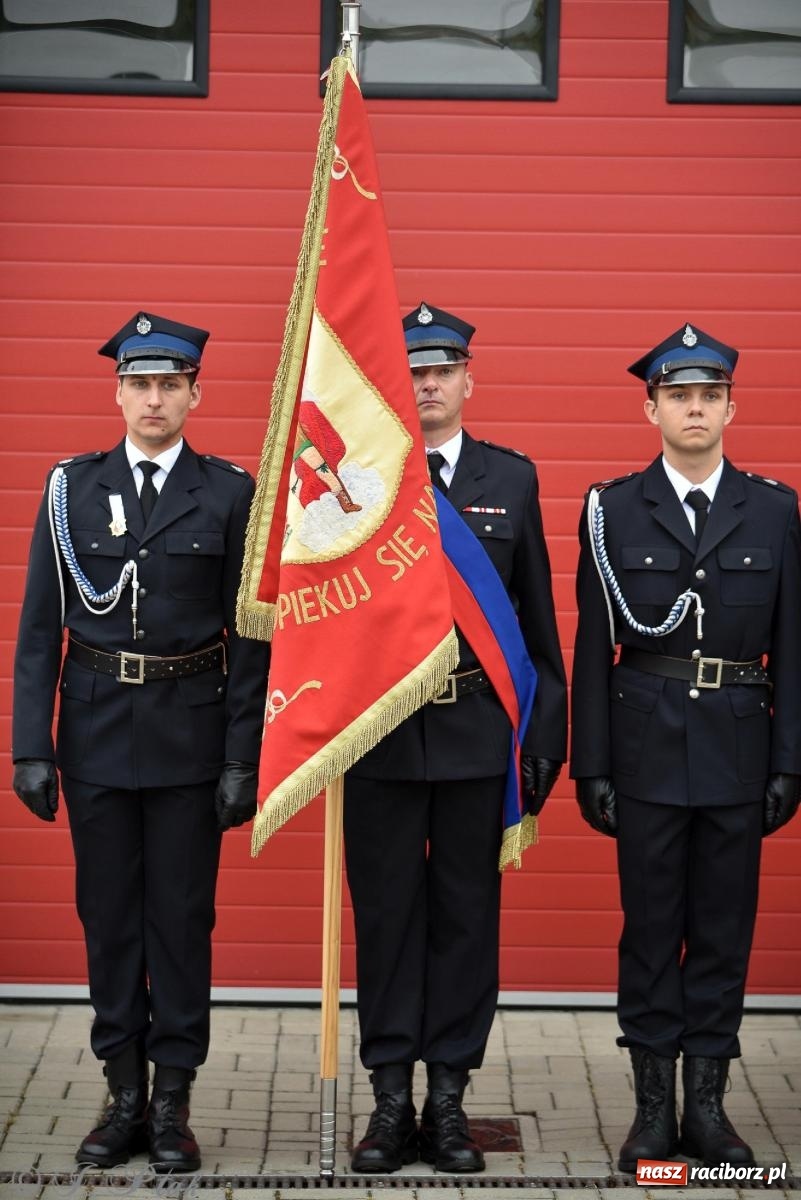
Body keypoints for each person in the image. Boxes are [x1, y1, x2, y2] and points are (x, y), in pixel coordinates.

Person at [11, 312, 270, 1174]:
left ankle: (171, 1105)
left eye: (169, 384)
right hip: (93, 736)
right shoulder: (70, 489)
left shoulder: (228, 493)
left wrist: (242, 757)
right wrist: (31, 746)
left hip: (190, 739)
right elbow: (39, 630)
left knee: (181, 922)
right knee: (110, 920)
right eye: (139, 384)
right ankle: (122, 1093)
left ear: (195, 394)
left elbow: (250, 640)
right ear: (118, 393)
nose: (153, 399)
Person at [570, 322, 801, 1173]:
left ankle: (706, 1110)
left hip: (738, 749)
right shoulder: (611, 509)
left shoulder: (772, 509)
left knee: (721, 933)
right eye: (678, 396)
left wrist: (789, 760)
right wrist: (591, 763)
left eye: (709, 396)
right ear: (651, 409)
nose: (694, 409)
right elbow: (590, 647)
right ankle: (649, 1113)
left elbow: (792, 644)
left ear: (730, 408)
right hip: (645, 751)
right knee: (649, 931)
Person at [344, 302, 567, 1174]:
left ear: (468, 380)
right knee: (386, 921)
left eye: (442, 370)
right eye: (414, 373)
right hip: (382, 738)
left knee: (467, 922)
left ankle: (447, 1102)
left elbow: (536, 623)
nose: (429, 385)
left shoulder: (511, 478)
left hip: (478, 736)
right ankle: (388, 1101)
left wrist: (543, 736)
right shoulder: (357, 480)